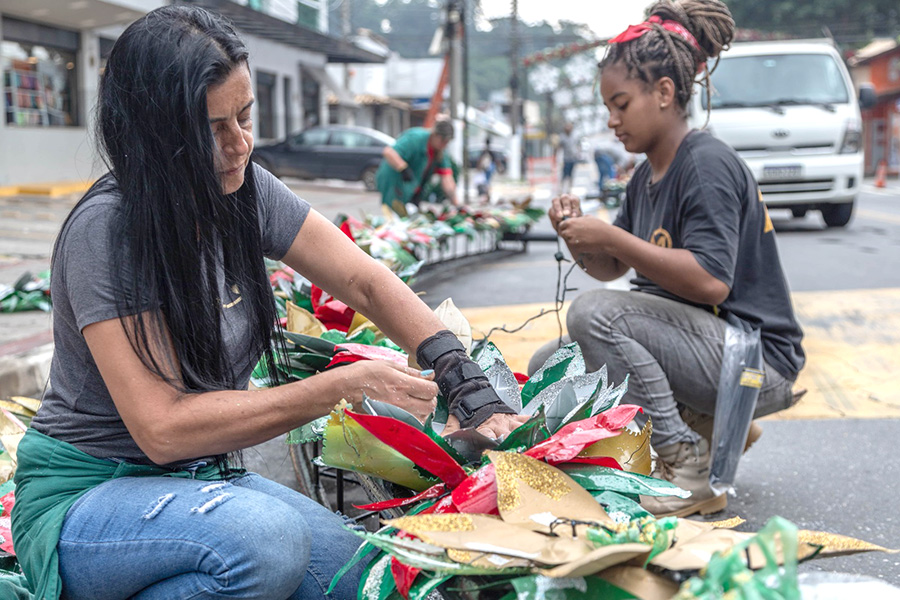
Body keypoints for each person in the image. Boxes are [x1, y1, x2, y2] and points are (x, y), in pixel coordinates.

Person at [10, 7, 525, 600]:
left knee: (363, 580)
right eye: (212, 127)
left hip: (199, 482)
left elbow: (363, 280)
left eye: (245, 116)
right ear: (154, 133)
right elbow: (163, 431)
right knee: (267, 541)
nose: (240, 144)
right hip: (87, 499)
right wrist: (338, 387)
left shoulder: (244, 189)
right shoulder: (108, 232)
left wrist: (461, 375)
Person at [528, 0, 805, 518]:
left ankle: (688, 463)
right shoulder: (645, 175)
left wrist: (611, 236)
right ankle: (709, 421)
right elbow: (614, 268)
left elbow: (711, 283)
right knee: (551, 365)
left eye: (621, 103)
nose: (611, 120)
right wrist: (577, 237)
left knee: (594, 314)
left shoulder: (705, 163)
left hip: (754, 361)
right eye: (607, 107)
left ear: (664, 93)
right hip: (705, 349)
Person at [376, 118, 457, 213]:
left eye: (447, 142)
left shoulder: (440, 152)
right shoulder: (415, 138)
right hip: (393, 180)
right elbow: (389, 152)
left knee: (412, 215)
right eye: (443, 141)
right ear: (435, 134)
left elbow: (447, 178)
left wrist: (456, 204)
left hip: (413, 186)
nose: (444, 145)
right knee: (394, 214)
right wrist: (403, 168)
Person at [592, 132, 630, 199]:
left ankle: (601, 191)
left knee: (602, 173)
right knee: (611, 172)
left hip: (597, 153)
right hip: (602, 154)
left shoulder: (620, 150)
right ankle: (610, 190)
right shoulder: (624, 158)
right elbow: (618, 167)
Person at [557, 122, 579, 194]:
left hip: (573, 158)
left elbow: (577, 146)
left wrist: (578, 154)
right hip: (566, 159)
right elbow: (559, 148)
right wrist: (559, 159)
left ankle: (569, 189)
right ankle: (561, 189)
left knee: (571, 175)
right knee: (564, 175)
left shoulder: (575, 136)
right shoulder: (562, 137)